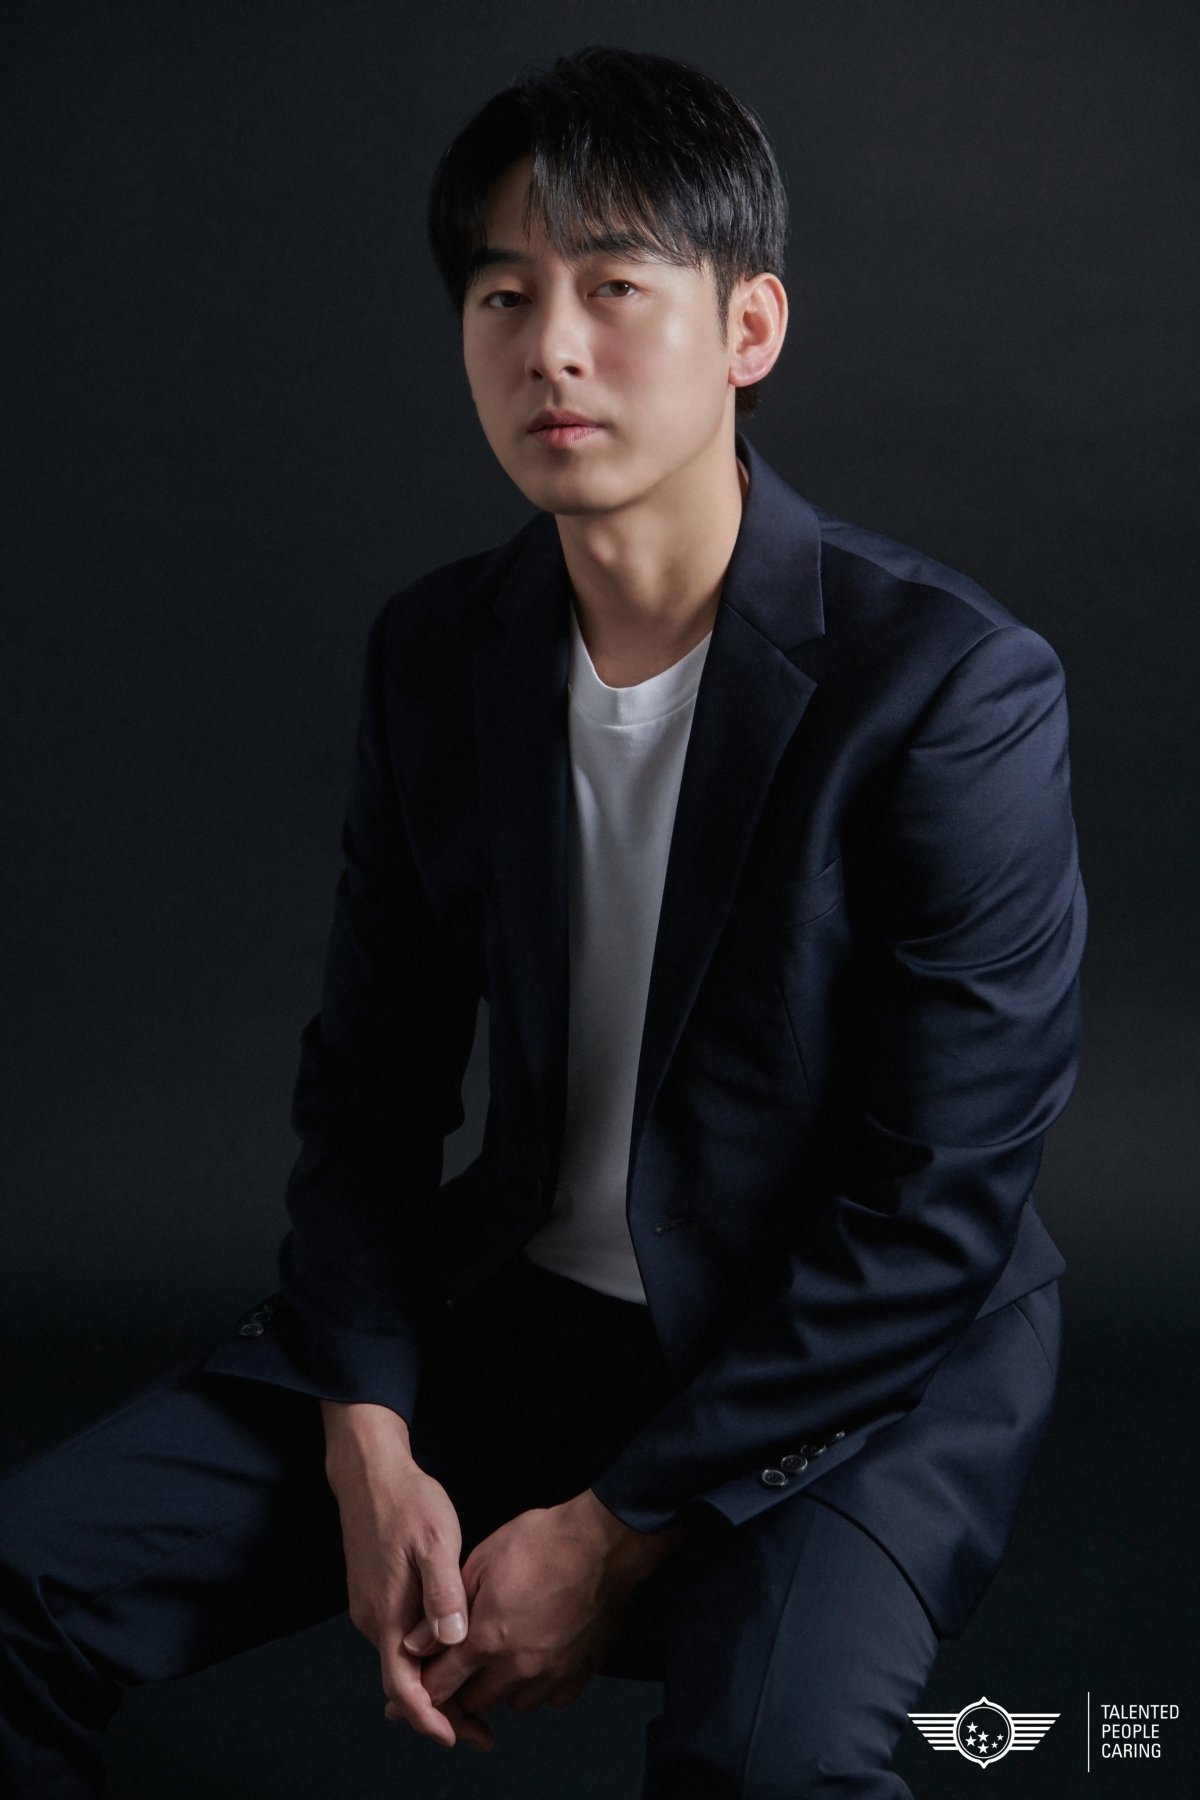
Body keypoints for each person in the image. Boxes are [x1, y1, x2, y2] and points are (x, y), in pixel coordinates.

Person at [0, 44, 1086, 1799]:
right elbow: (369, 1099)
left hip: (844, 1364)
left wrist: (611, 1528)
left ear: (750, 328)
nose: (550, 347)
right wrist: (367, 1432)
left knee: (771, 1766)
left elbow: (935, 1208)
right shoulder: (438, 652)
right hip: (518, 1310)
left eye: (613, 288)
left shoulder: (950, 688)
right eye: (503, 295)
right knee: (17, 1589)